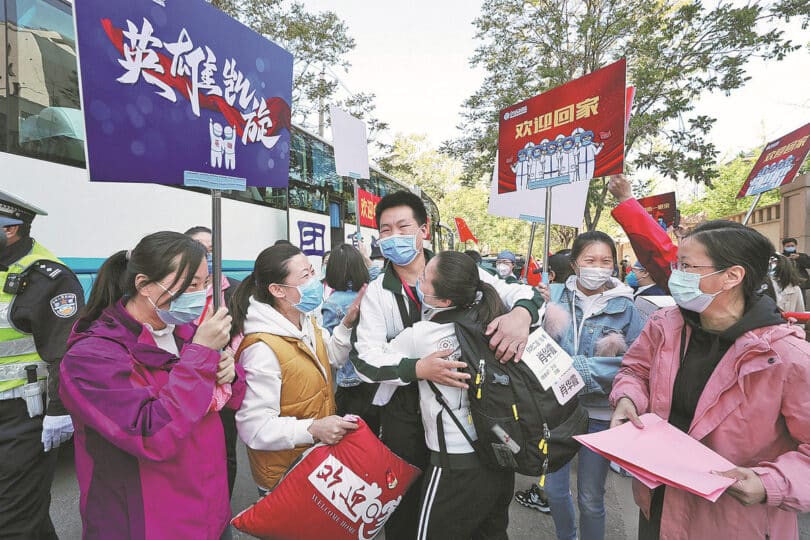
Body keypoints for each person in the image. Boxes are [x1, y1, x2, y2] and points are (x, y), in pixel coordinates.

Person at [350, 190, 544, 540]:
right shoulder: (378, 292)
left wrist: (521, 315)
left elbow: (524, 295)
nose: (394, 237)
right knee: (406, 511)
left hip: (469, 423)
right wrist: (416, 369)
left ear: (424, 229)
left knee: (471, 513)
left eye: (403, 226)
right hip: (403, 419)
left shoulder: (456, 270)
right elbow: (365, 359)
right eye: (385, 230)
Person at [611, 221, 810, 539]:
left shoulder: (787, 356)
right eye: (678, 264)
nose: (677, 275)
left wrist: (768, 483)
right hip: (657, 503)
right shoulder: (666, 324)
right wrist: (627, 398)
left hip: (735, 523)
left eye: (687, 266)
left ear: (732, 276)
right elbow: (635, 371)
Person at [59, 231, 244, 539]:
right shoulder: (90, 357)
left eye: (203, 283)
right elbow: (152, 434)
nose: (199, 295)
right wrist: (200, 358)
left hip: (210, 512)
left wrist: (230, 373)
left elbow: (232, 401)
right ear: (144, 285)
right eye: (188, 286)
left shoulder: (186, 332)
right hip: (149, 524)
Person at [383, 251, 513, 539]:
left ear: (443, 301)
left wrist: (416, 368)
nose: (419, 279)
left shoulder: (422, 335)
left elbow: (370, 365)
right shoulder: (497, 321)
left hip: (454, 463)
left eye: (426, 278)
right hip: (501, 454)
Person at [231, 244, 365, 495]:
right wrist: (313, 428)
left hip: (312, 463)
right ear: (277, 290)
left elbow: (333, 357)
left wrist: (346, 325)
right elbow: (255, 428)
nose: (314, 282)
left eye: (312, 272)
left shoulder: (305, 321)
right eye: (305, 276)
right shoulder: (262, 348)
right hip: (284, 477)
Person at [542, 231, 644, 540]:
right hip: (557, 411)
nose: (598, 267)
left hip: (600, 415)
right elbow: (535, 347)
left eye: (606, 261)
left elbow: (635, 364)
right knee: (555, 492)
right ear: (574, 264)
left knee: (590, 497)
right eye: (590, 260)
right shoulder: (552, 297)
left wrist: (580, 369)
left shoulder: (627, 307)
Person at [0, 190, 84, 539]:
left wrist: (60, 409)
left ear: (10, 229)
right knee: (23, 513)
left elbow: (67, 350)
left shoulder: (47, 277)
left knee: (12, 520)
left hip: (22, 417)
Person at [184, 225, 242, 499]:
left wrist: (230, 357)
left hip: (224, 380)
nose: (206, 256)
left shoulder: (233, 290)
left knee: (225, 451)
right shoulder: (177, 295)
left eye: (211, 251)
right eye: (199, 249)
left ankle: (222, 506)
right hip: (188, 383)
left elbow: (244, 333)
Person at [321, 244, 379, 435]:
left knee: (353, 439)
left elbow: (333, 351)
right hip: (375, 375)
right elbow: (379, 273)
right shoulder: (372, 291)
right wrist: (366, 258)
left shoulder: (332, 304)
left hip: (351, 384)